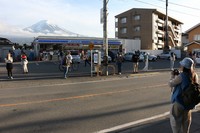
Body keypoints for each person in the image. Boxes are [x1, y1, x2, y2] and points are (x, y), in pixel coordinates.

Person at [168, 57, 198, 133]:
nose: (180, 66)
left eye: (181, 65)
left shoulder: (181, 76)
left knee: (176, 124)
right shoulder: (195, 75)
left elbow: (171, 84)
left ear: (184, 67)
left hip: (179, 103)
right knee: (186, 125)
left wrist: (172, 75)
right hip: (188, 104)